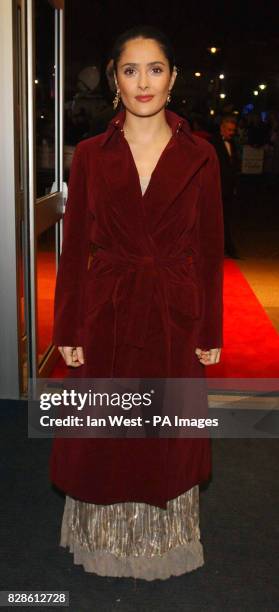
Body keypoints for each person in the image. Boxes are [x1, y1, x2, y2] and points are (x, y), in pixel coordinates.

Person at [50, 25, 224, 581]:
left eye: (154, 69)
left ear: (172, 80)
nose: (143, 81)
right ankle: (102, 538)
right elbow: (75, 250)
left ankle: (161, 540)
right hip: (108, 310)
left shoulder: (200, 156)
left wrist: (210, 331)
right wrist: (69, 329)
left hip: (175, 314)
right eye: (130, 70)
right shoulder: (93, 156)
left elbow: (208, 248)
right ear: (115, 83)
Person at [210, 116, 240, 259]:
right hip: (216, 188)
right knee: (215, 220)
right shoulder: (213, 143)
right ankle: (221, 249)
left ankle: (227, 248)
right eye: (229, 130)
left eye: (233, 130)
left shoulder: (233, 143)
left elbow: (233, 166)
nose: (232, 132)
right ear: (222, 128)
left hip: (228, 188)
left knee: (226, 219)